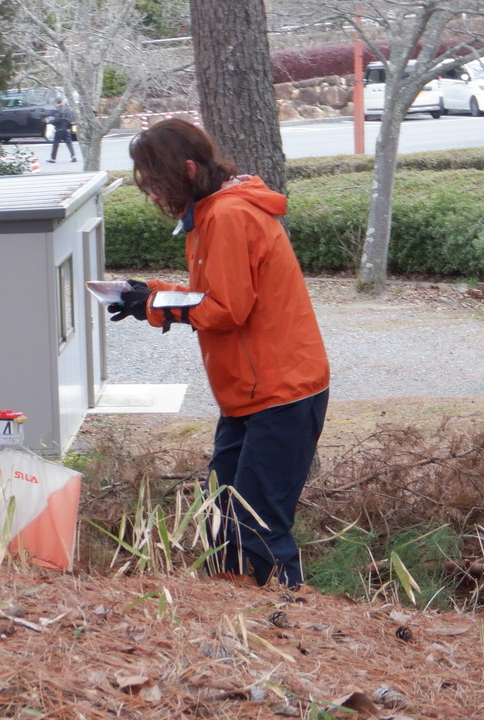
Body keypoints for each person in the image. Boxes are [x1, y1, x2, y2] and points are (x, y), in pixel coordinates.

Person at [109, 118, 329, 589]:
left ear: (189, 170)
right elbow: (213, 296)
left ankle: (288, 615)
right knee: (221, 515)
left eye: (157, 183)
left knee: (256, 525)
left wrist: (153, 305)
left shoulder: (229, 216)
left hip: (280, 392)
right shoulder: (211, 214)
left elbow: (226, 309)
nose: (154, 195)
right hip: (251, 394)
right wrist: (151, 294)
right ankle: (227, 609)